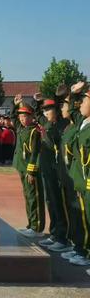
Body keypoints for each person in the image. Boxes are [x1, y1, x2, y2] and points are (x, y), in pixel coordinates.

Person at [34, 93, 72, 253]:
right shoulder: (47, 122)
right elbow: (38, 115)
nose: (45, 113)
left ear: (56, 110)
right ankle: (55, 233)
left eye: (48, 109)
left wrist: (59, 98)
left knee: (59, 203)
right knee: (51, 201)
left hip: (59, 171)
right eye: (44, 110)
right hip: (48, 170)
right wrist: (38, 102)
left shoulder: (61, 125)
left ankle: (63, 237)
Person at [58, 83, 90, 266]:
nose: (81, 103)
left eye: (85, 100)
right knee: (83, 219)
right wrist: (72, 92)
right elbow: (72, 110)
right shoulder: (84, 124)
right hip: (82, 181)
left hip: (87, 182)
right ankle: (81, 250)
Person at [11, 95, 45, 238]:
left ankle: (37, 227)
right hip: (22, 168)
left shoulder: (34, 131)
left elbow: (35, 153)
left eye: (24, 116)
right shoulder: (21, 129)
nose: (21, 118)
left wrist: (31, 171)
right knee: (27, 196)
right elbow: (13, 119)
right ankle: (31, 224)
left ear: (31, 117)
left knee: (34, 197)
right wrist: (15, 105)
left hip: (30, 170)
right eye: (21, 116)